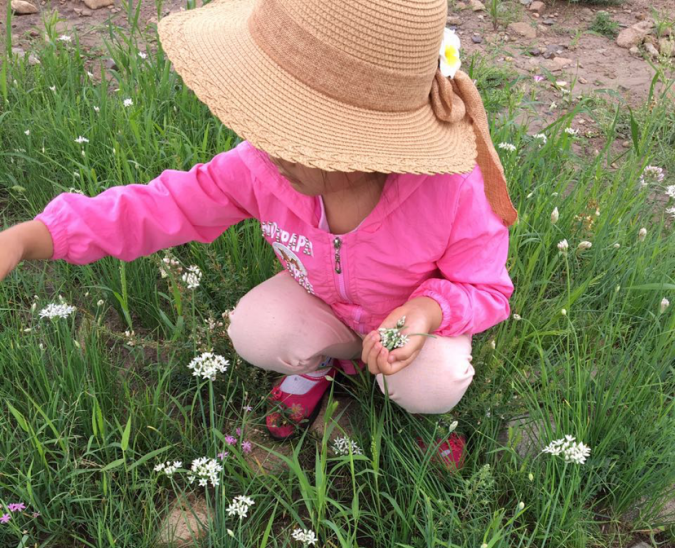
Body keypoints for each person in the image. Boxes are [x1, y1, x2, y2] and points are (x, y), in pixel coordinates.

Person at [0, 0, 517, 468]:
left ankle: (414, 413)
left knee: (431, 383)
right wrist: (29, 238)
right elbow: (163, 205)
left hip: (414, 326)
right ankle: (327, 366)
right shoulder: (263, 167)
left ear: (369, 143)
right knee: (256, 329)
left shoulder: (451, 190)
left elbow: (486, 289)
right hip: (326, 305)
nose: (267, 146)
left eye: (290, 133)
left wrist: (426, 311)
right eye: (266, 122)